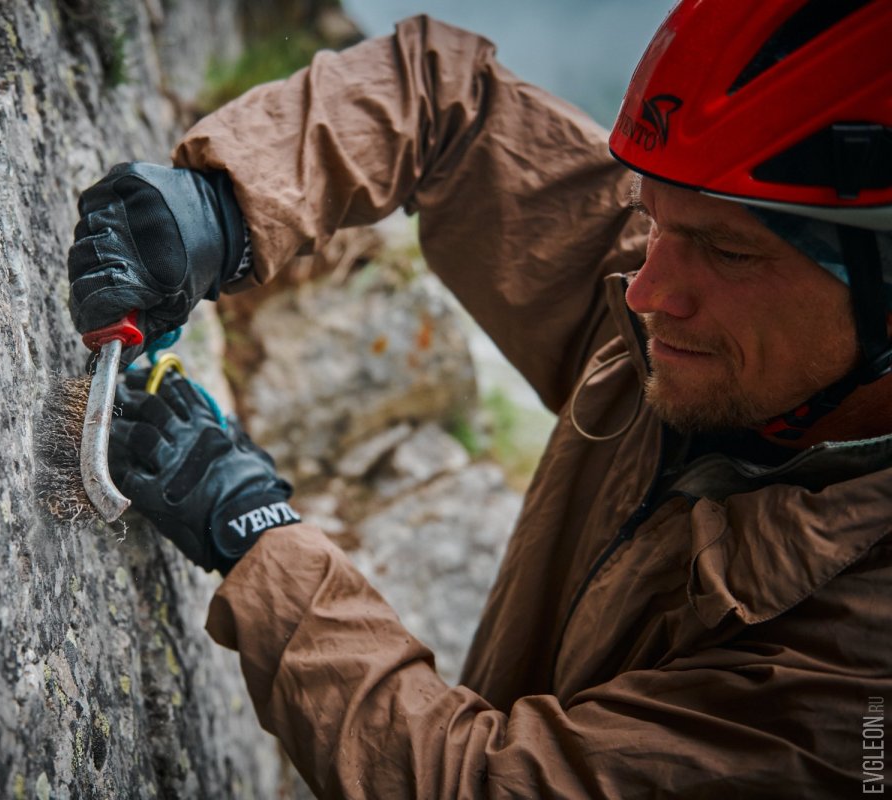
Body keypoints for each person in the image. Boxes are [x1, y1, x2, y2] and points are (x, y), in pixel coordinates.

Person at [67, 2, 892, 796]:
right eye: (656, 216)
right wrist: (224, 207)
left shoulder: (857, 681)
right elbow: (443, 100)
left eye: (728, 253)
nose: (644, 292)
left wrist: (250, 527)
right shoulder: (704, 332)